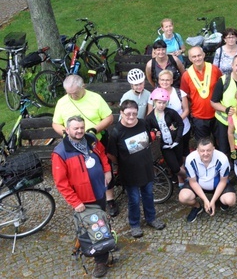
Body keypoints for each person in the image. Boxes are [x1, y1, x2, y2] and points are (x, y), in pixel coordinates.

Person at [52, 116, 113, 278]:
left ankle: (104, 245)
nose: (79, 131)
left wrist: (107, 170)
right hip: (83, 199)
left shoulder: (91, 140)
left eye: (81, 127)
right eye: (75, 128)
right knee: (93, 227)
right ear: (67, 130)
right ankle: (100, 261)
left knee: (101, 223)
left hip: (99, 191)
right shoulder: (60, 152)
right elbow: (61, 182)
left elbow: (103, 154)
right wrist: (75, 202)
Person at [52, 75, 116, 216]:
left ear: (83, 86)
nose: (72, 96)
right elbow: (55, 123)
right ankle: (84, 199)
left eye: (75, 92)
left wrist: (94, 130)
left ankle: (109, 198)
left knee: (105, 169)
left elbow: (109, 117)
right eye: (69, 93)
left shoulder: (95, 98)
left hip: (95, 141)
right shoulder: (62, 102)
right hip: (72, 144)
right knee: (81, 173)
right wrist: (65, 133)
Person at [108, 101, 166, 238]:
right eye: (128, 113)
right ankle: (134, 224)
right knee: (133, 199)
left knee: (148, 195)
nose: (131, 116)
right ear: (121, 113)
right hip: (129, 173)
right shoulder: (116, 132)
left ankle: (151, 218)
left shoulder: (143, 123)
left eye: (134, 113)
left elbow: (148, 142)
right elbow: (111, 154)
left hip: (146, 168)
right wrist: (122, 163)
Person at [179, 138, 237, 223]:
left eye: (208, 150)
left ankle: (220, 201)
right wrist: (206, 200)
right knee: (183, 197)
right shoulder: (190, 159)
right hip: (199, 185)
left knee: (230, 200)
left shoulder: (222, 158)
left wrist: (212, 201)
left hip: (217, 185)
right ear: (197, 150)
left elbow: (223, 181)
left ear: (213, 149)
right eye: (202, 151)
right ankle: (197, 207)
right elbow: (193, 182)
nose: (205, 154)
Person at [180, 46, 222, 146]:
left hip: (217, 114)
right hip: (199, 116)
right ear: (190, 58)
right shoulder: (186, 75)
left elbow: (222, 87)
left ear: (203, 55)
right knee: (204, 146)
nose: (197, 58)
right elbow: (184, 95)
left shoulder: (214, 69)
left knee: (221, 143)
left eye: (199, 55)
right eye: (194, 56)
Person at [144, 88, 185, 185]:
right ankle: (189, 177)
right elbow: (147, 131)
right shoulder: (150, 118)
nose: (161, 105)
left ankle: (182, 181)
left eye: (164, 103)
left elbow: (180, 123)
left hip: (176, 142)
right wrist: (154, 132)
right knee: (174, 167)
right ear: (154, 102)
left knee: (179, 162)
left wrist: (178, 137)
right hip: (164, 145)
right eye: (159, 102)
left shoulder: (171, 112)